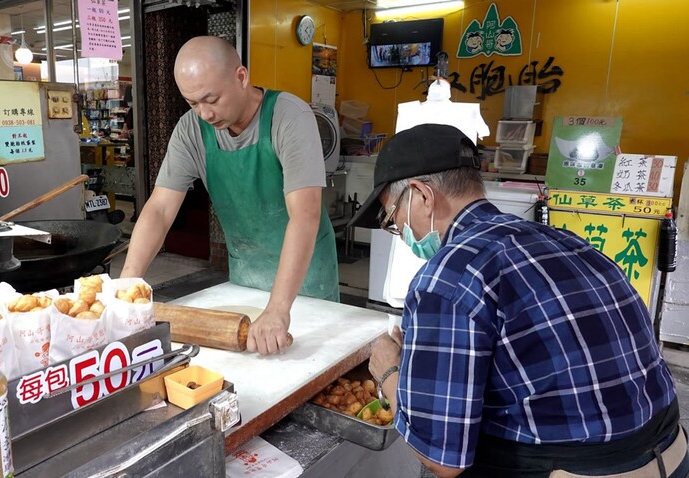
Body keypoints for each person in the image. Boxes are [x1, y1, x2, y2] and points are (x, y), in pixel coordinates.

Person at [347, 124, 687, 477]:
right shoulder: (567, 241)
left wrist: (388, 370)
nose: (401, 232)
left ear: (421, 195)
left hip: (579, 471)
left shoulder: (448, 277)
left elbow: (441, 457)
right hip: (671, 454)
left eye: (392, 218)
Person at [121, 36, 339, 355]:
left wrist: (278, 308)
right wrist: (128, 283)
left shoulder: (290, 117)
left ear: (241, 76)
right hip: (246, 275)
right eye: (193, 103)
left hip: (305, 279)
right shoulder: (190, 130)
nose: (205, 114)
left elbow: (304, 215)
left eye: (212, 99)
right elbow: (160, 209)